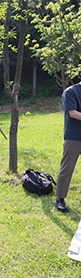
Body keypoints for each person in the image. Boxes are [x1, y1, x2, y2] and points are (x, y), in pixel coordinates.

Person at [55, 79, 81, 213]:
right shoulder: (71, 92)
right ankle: (60, 198)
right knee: (67, 167)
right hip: (74, 136)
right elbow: (73, 113)